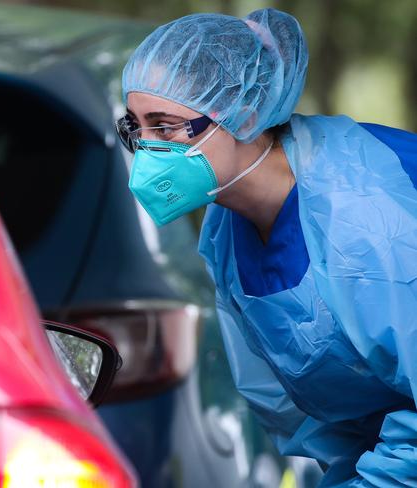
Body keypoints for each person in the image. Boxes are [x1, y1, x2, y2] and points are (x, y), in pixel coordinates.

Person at [116, 8, 417, 487]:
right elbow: (304, 411)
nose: (146, 149)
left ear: (246, 116)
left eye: (166, 126)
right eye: (134, 126)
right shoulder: (226, 223)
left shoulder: (365, 219)